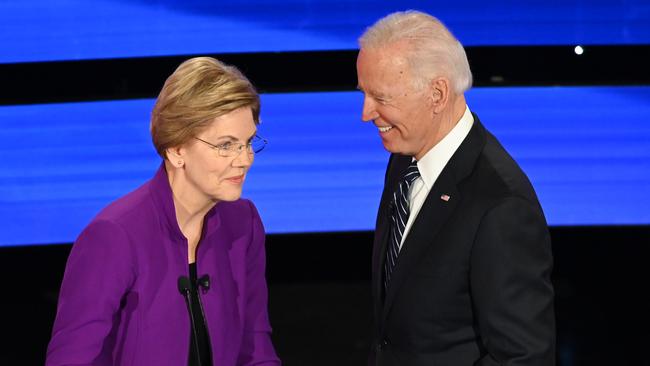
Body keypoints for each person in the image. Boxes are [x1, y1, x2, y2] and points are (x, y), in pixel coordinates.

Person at [46, 57, 280, 366]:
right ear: (176, 149)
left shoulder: (243, 223)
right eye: (226, 145)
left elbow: (256, 349)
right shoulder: (115, 235)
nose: (245, 159)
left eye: (248, 142)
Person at [357, 11, 555, 366]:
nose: (366, 113)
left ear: (437, 93)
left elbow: (524, 357)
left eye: (381, 98)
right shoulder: (405, 157)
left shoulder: (501, 205)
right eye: (364, 94)